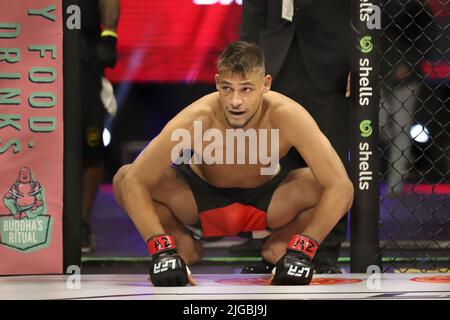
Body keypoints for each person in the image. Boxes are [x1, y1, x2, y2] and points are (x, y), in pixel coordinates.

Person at [112, 41, 353, 286]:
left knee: (326, 184)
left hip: (269, 203)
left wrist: (304, 249)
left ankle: (282, 248)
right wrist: (160, 248)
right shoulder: (197, 116)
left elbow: (341, 187)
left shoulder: (287, 115)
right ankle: (179, 249)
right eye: (227, 88)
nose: (235, 101)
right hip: (200, 202)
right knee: (125, 176)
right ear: (217, 83)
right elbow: (134, 181)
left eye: (246, 89)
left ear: (265, 85)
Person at [239, 0, 352, 273]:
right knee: (273, 165)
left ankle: (322, 252)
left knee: (329, 162)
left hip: (331, 62)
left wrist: (360, 63)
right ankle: (274, 252)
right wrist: (245, 72)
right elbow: (254, 11)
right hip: (274, 62)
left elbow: (361, 8)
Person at [80, 0, 120, 252]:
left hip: (84, 51)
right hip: (34, 47)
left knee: (89, 143)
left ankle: (81, 224)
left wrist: (109, 34)